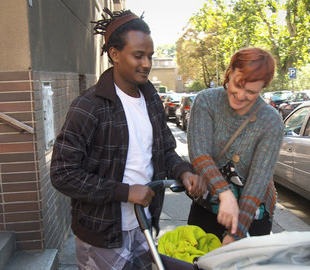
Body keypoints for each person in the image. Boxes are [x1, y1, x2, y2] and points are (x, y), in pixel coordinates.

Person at [50, 9, 206, 270]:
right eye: (138, 55)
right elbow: (63, 174)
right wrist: (124, 192)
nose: (146, 63)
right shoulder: (89, 106)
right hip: (102, 233)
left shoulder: (151, 98)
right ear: (114, 54)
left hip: (144, 224)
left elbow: (166, 148)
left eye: (150, 56)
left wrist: (184, 171)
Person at [187, 47, 284, 246]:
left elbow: (258, 182)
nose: (240, 96)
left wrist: (236, 232)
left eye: (251, 91)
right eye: (237, 85)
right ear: (229, 72)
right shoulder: (206, 101)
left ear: (263, 87)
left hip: (252, 215)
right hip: (206, 209)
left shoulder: (271, 121)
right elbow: (199, 154)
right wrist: (225, 193)